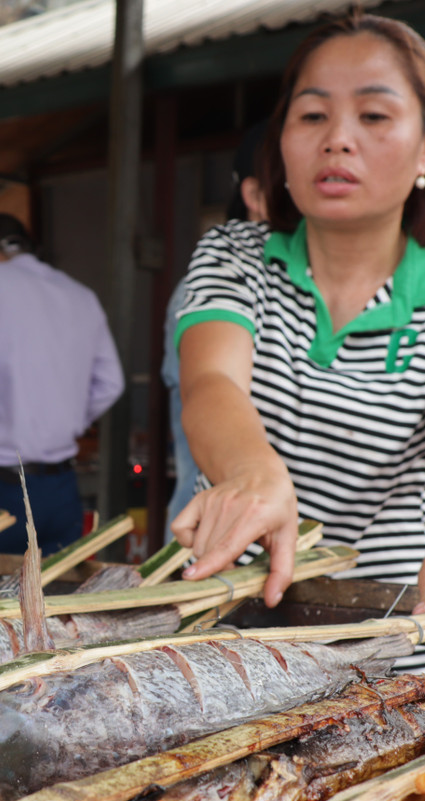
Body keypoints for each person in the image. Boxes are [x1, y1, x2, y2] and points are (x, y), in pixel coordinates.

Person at [172, 11, 425, 665]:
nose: (338, 139)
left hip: (387, 639)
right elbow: (211, 382)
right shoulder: (232, 255)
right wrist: (253, 474)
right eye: (312, 116)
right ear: (282, 140)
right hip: (223, 633)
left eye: (373, 116)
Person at [0, 214, 124, 554]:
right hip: (62, 490)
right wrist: (66, 419)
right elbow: (111, 382)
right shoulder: (81, 295)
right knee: (55, 601)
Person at [162, 122, 268, 541]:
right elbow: (210, 386)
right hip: (214, 539)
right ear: (256, 196)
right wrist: (255, 475)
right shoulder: (214, 281)